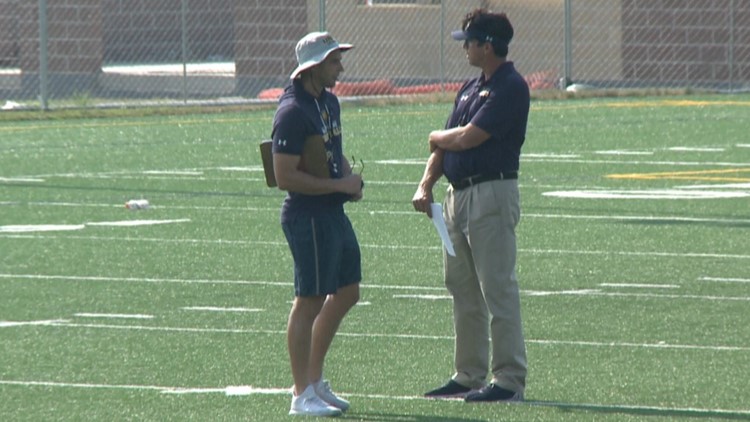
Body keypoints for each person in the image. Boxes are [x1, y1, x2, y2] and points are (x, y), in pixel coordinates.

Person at [411, 9, 529, 403]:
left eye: (470, 41)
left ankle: (509, 378)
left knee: (497, 288)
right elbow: (444, 147)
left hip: (491, 194)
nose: (465, 49)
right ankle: (468, 374)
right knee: (462, 288)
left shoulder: (510, 87)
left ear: (488, 45)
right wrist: (426, 184)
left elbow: (466, 137)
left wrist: (435, 134)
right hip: (456, 197)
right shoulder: (469, 88)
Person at [271, 31, 364, 417]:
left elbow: (331, 152)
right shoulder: (292, 111)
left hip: (331, 211)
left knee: (348, 291)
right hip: (307, 215)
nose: (340, 66)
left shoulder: (328, 102)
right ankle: (300, 394)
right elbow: (284, 176)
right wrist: (338, 185)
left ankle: (315, 380)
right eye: (333, 61)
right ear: (313, 67)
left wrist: (346, 177)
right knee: (308, 299)